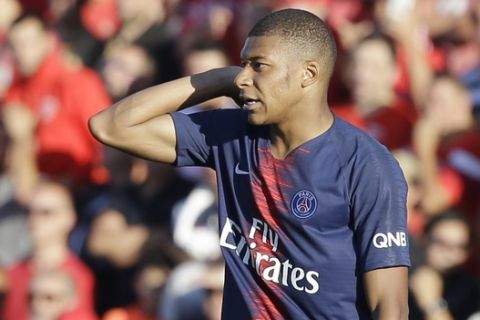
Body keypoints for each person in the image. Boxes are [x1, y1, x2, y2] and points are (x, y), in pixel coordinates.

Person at [90, 8, 410, 319]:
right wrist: (217, 79)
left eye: (258, 66)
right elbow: (110, 126)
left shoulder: (367, 164)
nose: (243, 78)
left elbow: (390, 304)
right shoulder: (230, 134)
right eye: (242, 65)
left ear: (308, 74)